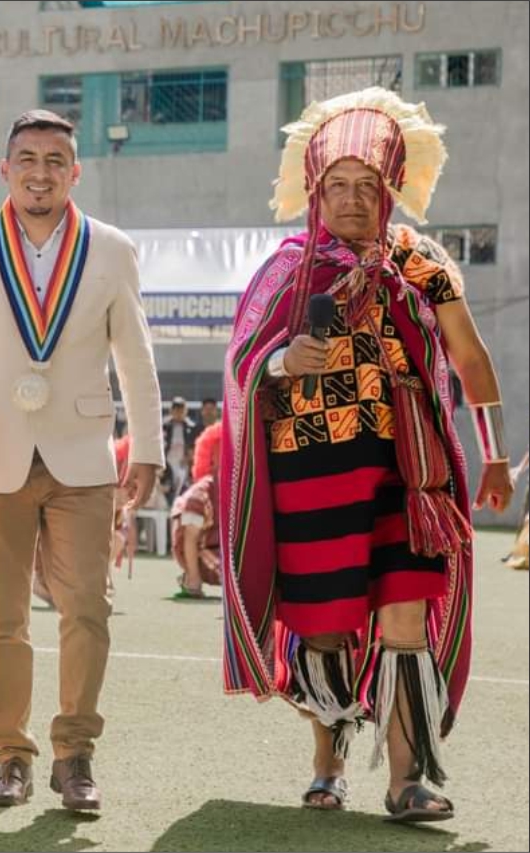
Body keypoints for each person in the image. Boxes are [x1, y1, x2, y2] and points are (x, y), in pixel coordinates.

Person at [220, 88, 513, 822]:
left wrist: (497, 457)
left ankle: (408, 779)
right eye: (337, 186)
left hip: (409, 477)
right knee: (324, 628)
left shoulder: (424, 263)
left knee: (405, 622)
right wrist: (285, 360)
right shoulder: (282, 269)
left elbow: (470, 359)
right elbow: (240, 367)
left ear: (393, 189)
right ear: (315, 191)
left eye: (368, 186)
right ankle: (329, 762)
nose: (352, 200)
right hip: (309, 477)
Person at [0, 109, 163, 811]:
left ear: (75, 171)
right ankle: (12, 756)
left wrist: (147, 447)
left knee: (89, 608)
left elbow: (135, 357)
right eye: (27, 158)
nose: (41, 172)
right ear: (5, 168)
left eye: (56, 160)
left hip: (84, 458)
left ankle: (75, 754)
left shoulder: (111, 249)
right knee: (3, 618)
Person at [169, 424, 222, 599]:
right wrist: (194, 577)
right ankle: (190, 578)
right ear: (212, 458)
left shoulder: (241, 487)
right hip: (204, 553)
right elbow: (189, 536)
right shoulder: (202, 491)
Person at [162, 397, 198, 504]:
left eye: (181, 410)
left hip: (183, 463)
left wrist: (188, 458)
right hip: (167, 463)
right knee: (167, 489)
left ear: (185, 411)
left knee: (182, 489)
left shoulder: (192, 427)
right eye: (176, 409)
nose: (178, 413)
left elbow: (194, 446)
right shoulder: (164, 426)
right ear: (171, 411)